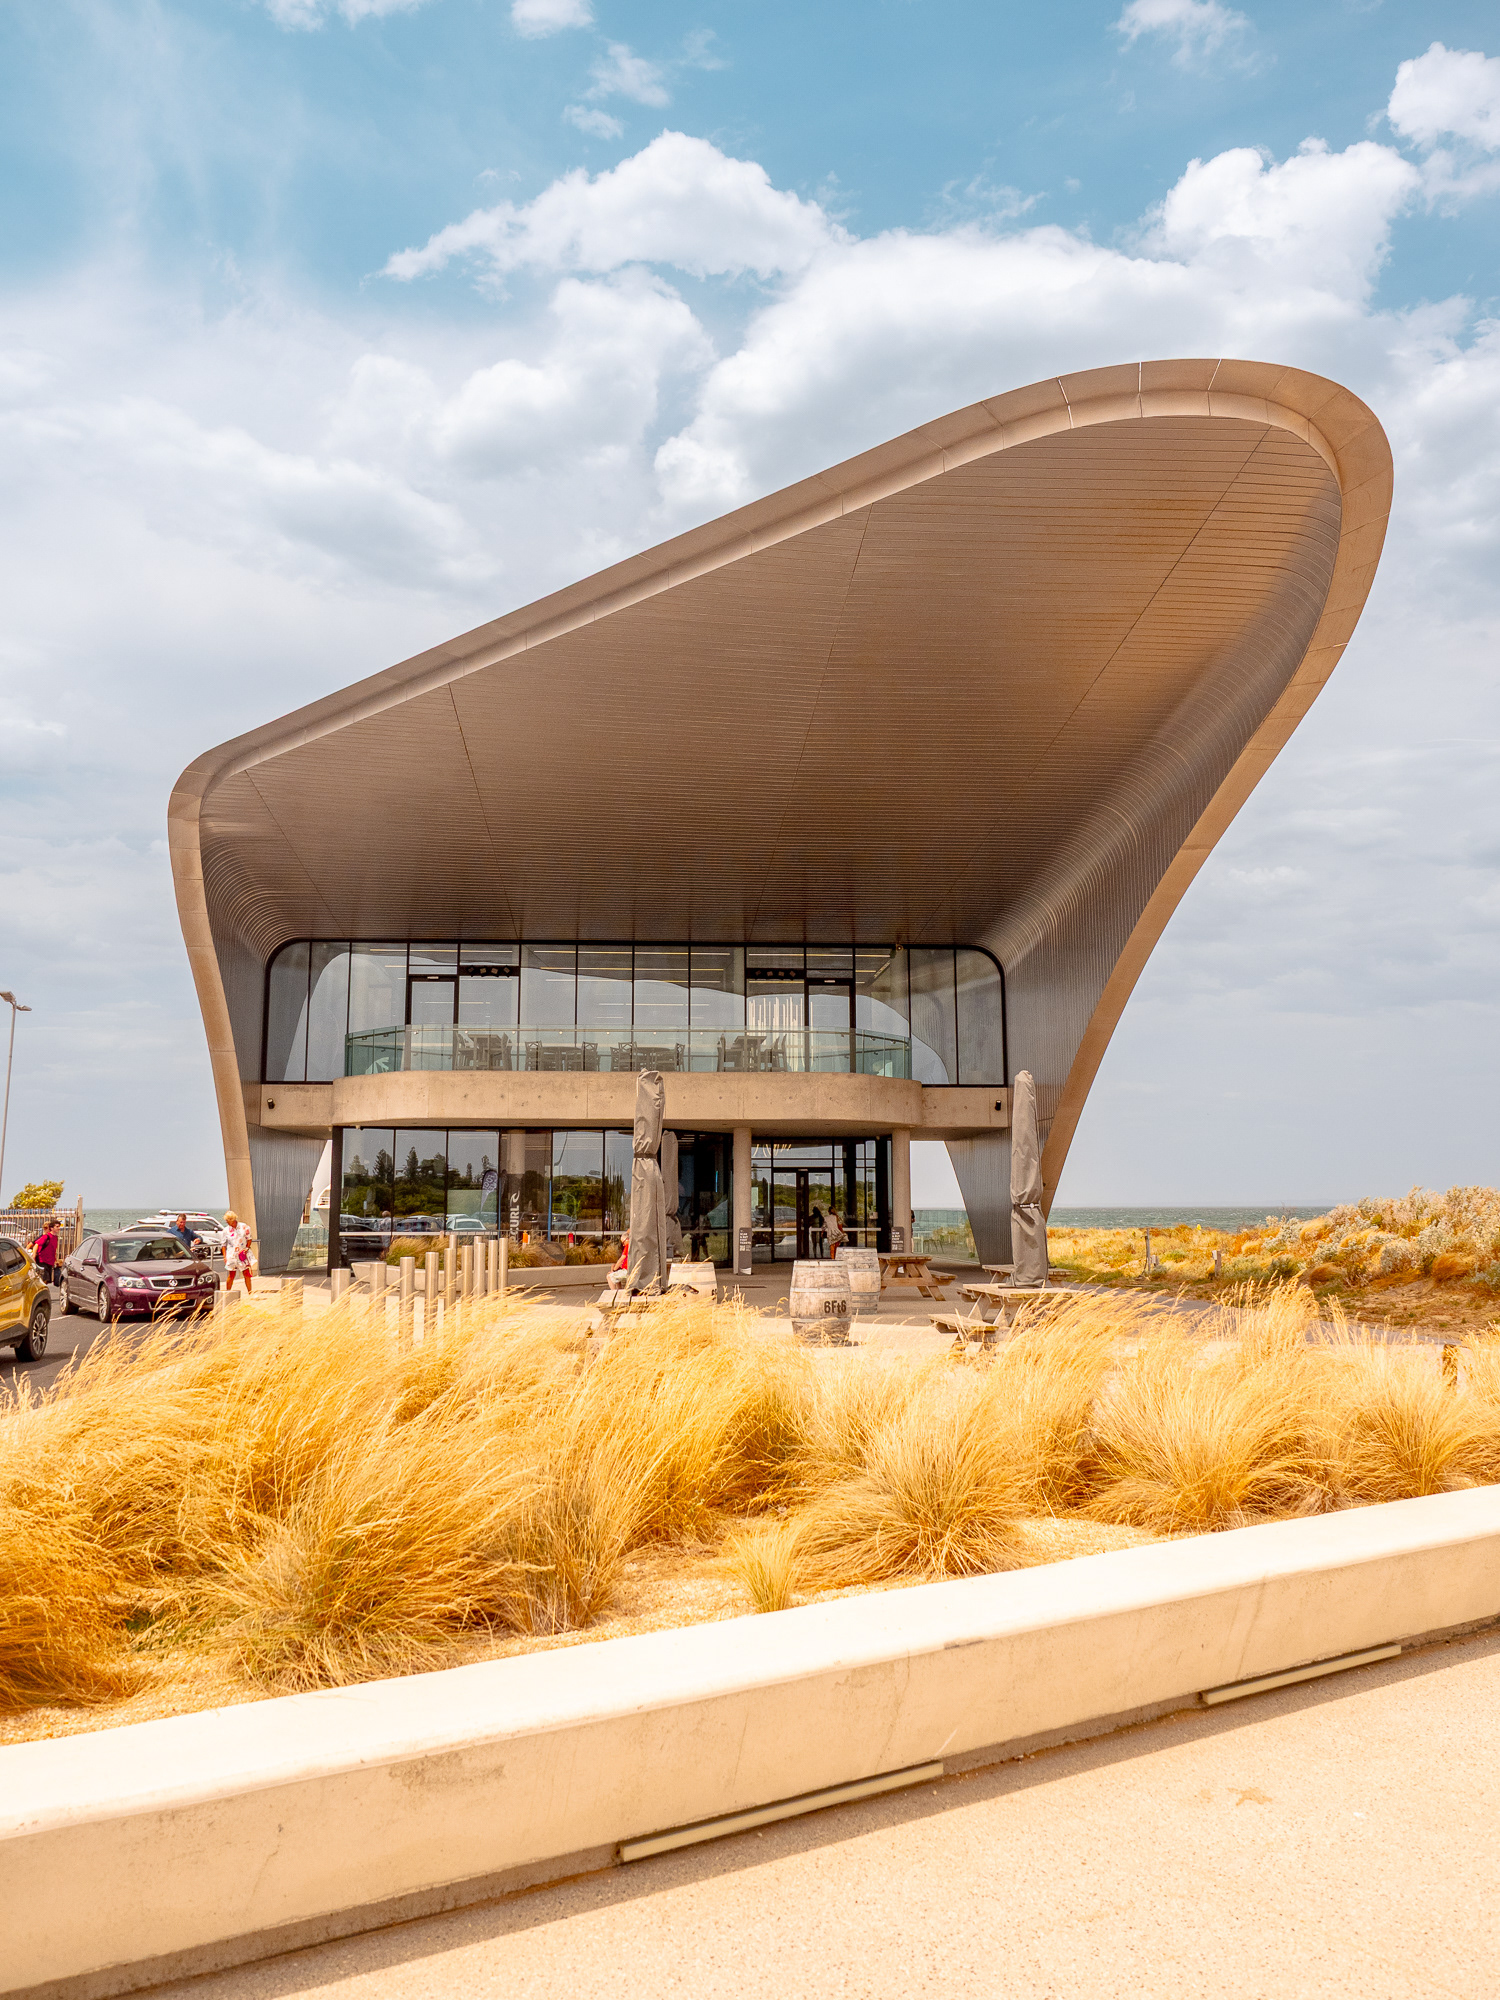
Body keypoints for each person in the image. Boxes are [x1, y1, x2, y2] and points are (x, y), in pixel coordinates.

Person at [222, 1210, 255, 1293]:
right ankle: (228, 1293)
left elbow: (249, 1238)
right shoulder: (226, 1230)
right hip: (232, 1255)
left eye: (227, 1220)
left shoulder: (244, 1227)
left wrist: (247, 1248)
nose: (226, 1222)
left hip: (242, 1254)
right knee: (231, 1274)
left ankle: (250, 1292)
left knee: (246, 1273)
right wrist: (225, 1257)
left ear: (232, 1219)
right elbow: (223, 1244)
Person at [31, 1218, 60, 1288]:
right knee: (44, 1279)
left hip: (50, 1261)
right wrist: (34, 1256)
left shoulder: (55, 1238)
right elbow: (36, 1245)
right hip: (42, 1261)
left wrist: (55, 1260)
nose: (59, 1228)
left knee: (47, 1280)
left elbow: (53, 1249)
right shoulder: (46, 1236)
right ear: (52, 1228)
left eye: (59, 1226)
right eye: (57, 1226)